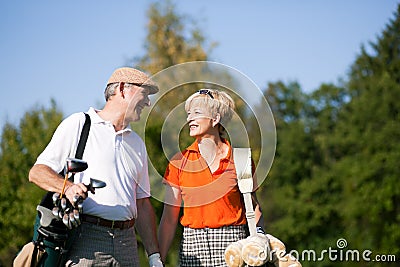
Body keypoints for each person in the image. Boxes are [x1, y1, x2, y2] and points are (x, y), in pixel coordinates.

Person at [29, 67, 163, 266]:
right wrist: (68, 188)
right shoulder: (79, 124)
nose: (148, 102)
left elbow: (142, 204)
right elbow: (37, 172)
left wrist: (154, 256)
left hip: (127, 242)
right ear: (123, 89)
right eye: (144, 94)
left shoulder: (137, 143)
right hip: (86, 239)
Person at [158, 89, 265, 266]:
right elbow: (169, 218)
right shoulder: (178, 162)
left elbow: (253, 209)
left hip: (234, 249)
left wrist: (259, 240)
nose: (189, 119)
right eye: (188, 114)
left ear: (215, 119)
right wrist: (158, 260)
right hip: (192, 250)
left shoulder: (240, 159)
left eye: (196, 113)